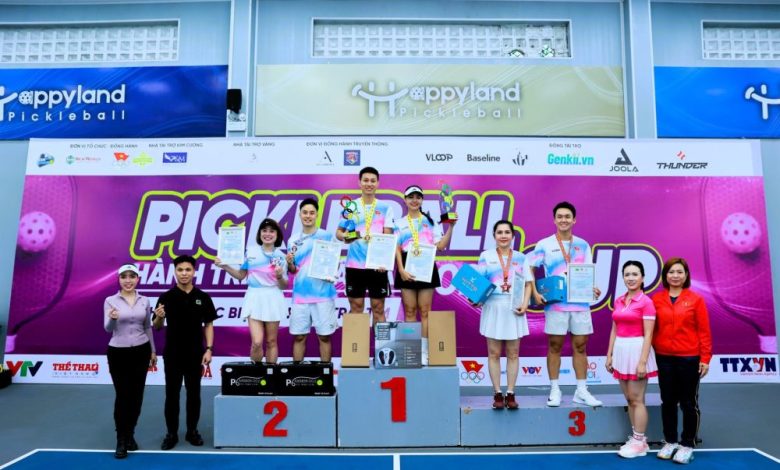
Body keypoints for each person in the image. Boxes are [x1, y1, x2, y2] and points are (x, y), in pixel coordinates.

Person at [529, 201, 603, 407]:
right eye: (560, 216)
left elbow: (587, 272)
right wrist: (535, 292)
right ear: (554, 220)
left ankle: (581, 390)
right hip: (556, 304)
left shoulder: (583, 245)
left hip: (580, 303)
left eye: (567, 216)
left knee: (580, 346)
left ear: (574, 220)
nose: (563, 220)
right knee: (555, 346)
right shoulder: (544, 244)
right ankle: (555, 389)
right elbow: (529, 268)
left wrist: (593, 287)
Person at [652, 257, 712, 464]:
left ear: (686, 275)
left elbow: (704, 331)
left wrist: (705, 358)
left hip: (689, 358)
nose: (675, 276)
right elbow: (651, 329)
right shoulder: (656, 299)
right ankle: (670, 441)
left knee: (688, 403)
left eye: (679, 272)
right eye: (671, 272)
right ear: (665, 275)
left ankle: (687, 444)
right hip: (664, 358)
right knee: (668, 401)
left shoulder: (696, 299)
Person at [153, 255, 217, 451]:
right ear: (175, 272)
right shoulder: (166, 297)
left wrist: (209, 349)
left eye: (188, 269)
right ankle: (171, 434)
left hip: (195, 354)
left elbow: (208, 324)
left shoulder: (203, 297)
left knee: (194, 394)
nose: (184, 273)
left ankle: (192, 431)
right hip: (172, 354)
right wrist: (159, 317)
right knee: (171, 395)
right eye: (180, 270)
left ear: (194, 272)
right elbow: (157, 326)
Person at [474, 220, 532, 410]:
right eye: (500, 232)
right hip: (493, 306)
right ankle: (497, 392)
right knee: (494, 353)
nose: (503, 235)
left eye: (507, 232)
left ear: (513, 236)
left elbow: (528, 284)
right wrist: (475, 298)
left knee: (513, 354)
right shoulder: (486, 256)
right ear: (494, 236)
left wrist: (525, 303)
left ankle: (511, 392)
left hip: (514, 308)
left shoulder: (521, 258)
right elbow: (478, 283)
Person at [393, 185, 454, 365]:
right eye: (411, 197)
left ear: (422, 200)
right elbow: (396, 248)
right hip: (407, 266)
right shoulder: (399, 223)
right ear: (405, 200)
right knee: (410, 310)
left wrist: (451, 227)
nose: (414, 200)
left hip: (426, 265)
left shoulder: (431, 222)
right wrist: (401, 270)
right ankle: (412, 350)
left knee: (425, 311)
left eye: (418, 197)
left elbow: (440, 246)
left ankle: (425, 351)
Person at [216, 218, 288, 363]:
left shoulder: (281, 256)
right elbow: (241, 275)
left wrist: (280, 276)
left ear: (277, 235)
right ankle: (257, 373)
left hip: (273, 297)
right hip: (254, 297)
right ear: (260, 233)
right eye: (264, 231)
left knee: (271, 341)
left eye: (272, 231)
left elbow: (283, 286)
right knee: (257, 342)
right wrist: (225, 266)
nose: (267, 234)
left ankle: (270, 374)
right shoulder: (251, 252)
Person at [605, 260, 658, 458]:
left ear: (642, 278)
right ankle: (637, 439)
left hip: (637, 350)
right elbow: (614, 329)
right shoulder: (619, 300)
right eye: (627, 274)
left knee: (637, 399)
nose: (631, 278)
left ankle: (639, 441)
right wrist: (609, 354)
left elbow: (649, 334)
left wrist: (642, 361)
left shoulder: (646, 302)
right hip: (621, 350)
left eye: (635, 274)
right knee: (629, 399)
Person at [104, 263, 156, 459]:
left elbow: (148, 326)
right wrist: (112, 318)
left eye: (132, 276)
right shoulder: (110, 301)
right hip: (118, 352)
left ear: (137, 279)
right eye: (124, 277)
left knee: (136, 396)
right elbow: (108, 329)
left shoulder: (145, 300)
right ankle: (121, 439)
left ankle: (130, 433)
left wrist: (153, 351)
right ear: (119, 279)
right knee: (123, 395)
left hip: (141, 351)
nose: (128, 280)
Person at [335, 166, 395, 324]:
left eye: (373, 181)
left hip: (377, 266)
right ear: (359, 183)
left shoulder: (385, 208)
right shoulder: (351, 207)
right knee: (356, 307)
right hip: (355, 265)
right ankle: (357, 341)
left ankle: (380, 342)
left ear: (378, 183)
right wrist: (347, 235)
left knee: (378, 308)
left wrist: (384, 262)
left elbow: (388, 238)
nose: (369, 184)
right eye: (366, 180)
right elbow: (339, 233)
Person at [286, 199, 339, 362]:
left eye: (311, 213)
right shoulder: (293, 240)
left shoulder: (326, 236)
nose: (308, 216)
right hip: (301, 297)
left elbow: (334, 262)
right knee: (299, 337)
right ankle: (297, 375)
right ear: (300, 214)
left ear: (316, 215)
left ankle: (325, 375)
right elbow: (293, 270)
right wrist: (290, 263)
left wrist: (331, 272)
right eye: (305, 212)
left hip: (323, 295)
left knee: (324, 337)